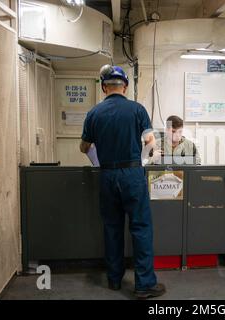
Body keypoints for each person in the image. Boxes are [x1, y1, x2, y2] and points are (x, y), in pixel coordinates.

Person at [80, 65, 165, 299]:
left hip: (107, 176)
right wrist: (143, 158)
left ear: (104, 87)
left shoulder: (94, 113)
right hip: (132, 175)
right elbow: (150, 141)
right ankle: (144, 284)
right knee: (140, 228)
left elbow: (84, 147)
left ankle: (114, 279)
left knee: (112, 228)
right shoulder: (137, 109)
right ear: (125, 87)